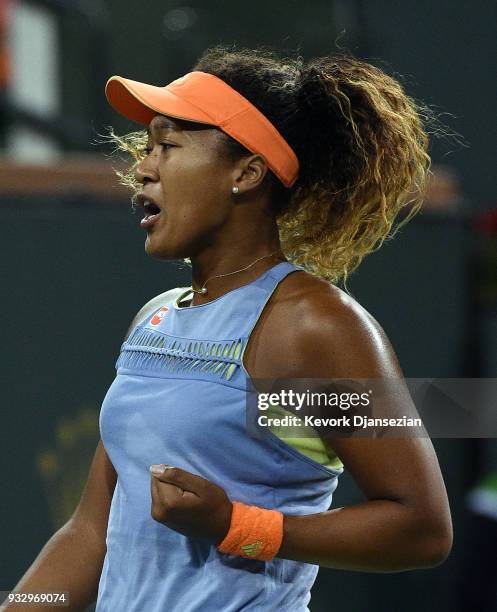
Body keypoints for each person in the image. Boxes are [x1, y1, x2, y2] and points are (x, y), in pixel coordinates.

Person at [5, 46, 452, 612]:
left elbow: (421, 527)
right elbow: (91, 531)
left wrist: (237, 525)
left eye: (168, 145)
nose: (143, 167)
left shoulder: (312, 327)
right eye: (146, 148)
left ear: (246, 172)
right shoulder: (155, 318)